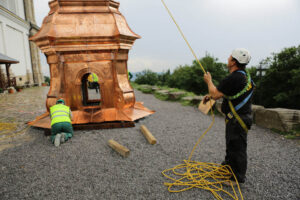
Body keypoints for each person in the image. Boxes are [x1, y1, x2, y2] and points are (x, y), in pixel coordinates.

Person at [203, 48, 254, 184]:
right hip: (240, 117)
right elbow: (230, 93)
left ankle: (237, 178)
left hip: (238, 119)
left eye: (230, 57)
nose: (228, 58)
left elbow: (215, 93)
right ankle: (227, 169)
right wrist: (211, 96)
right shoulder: (244, 76)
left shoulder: (234, 77)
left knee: (237, 148)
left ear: (233, 62)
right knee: (232, 145)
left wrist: (209, 81)